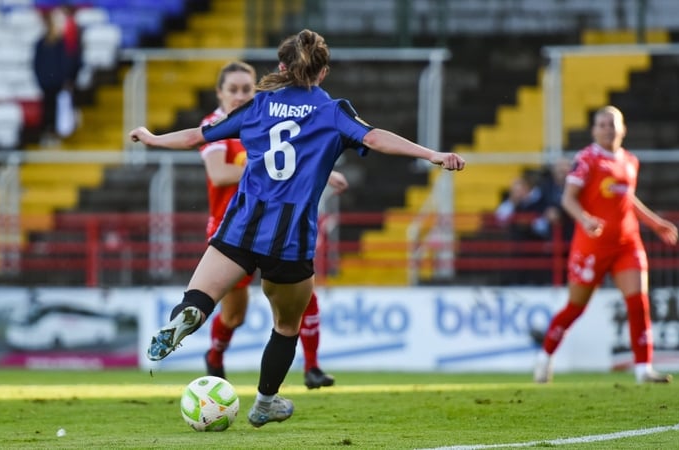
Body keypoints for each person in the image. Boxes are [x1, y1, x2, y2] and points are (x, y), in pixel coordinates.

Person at [129, 29, 465, 428]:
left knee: (200, 295)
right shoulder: (332, 111)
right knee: (286, 325)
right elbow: (374, 138)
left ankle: (188, 314)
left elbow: (196, 137)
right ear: (323, 73)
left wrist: (151, 138)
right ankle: (265, 402)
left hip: (240, 227)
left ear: (282, 67)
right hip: (290, 239)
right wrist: (432, 154)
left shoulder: (257, 105)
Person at [199, 61, 341, 389]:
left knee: (303, 294)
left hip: (274, 226)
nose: (239, 95)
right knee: (235, 315)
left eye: (247, 89)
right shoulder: (215, 125)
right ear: (219, 92)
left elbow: (295, 159)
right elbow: (219, 173)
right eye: (232, 89)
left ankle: (312, 367)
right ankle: (215, 356)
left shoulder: (265, 121)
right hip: (230, 231)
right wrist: (271, 168)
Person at [533, 105, 678, 384]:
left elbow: (628, 199)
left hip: (626, 242)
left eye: (612, 124)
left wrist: (655, 223)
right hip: (592, 246)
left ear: (622, 129)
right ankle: (544, 357)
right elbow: (568, 199)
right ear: (593, 130)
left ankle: (643, 369)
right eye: (601, 125)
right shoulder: (587, 159)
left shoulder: (630, 161)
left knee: (638, 302)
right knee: (576, 307)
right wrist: (585, 220)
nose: (607, 129)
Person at [32, 6, 81, 145]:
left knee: (61, 110)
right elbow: (36, 63)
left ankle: (61, 133)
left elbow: (70, 62)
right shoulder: (41, 43)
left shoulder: (64, 43)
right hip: (46, 84)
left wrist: (67, 79)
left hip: (60, 84)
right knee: (48, 109)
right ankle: (48, 133)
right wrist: (41, 80)